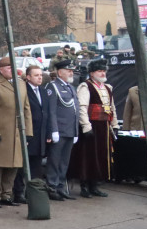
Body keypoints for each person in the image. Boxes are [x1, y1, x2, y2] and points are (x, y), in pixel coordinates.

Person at [0, 57, 33, 208]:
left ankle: (7, 194)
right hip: (1, 131)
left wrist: (28, 131)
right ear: (2, 69)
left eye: (13, 67)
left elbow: (26, 109)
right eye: (9, 68)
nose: (12, 70)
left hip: (17, 132)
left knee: (14, 165)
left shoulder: (21, 83)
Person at [73, 59, 118, 198]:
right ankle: (84, 186)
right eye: (99, 70)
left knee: (100, 156)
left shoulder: (107, 88)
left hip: (103, 127)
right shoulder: (86, 87)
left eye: (104, 70)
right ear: (92, 73)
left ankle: (95, 185)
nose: (103, 73)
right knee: (88, 157)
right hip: (92, 127)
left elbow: (112, 108)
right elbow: (82, 108)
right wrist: (86, 126)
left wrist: (114, 125)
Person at [13, 65, 52, 204]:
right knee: (22, 166)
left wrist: (48, 132)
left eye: (40, 75)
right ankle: (19, 192)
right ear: (28, 77)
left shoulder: (43, 91)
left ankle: (34, 192)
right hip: (29, 133)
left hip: (40, 134)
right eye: (36, 75)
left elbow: (46, 113)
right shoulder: (24, 91)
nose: (40, 77)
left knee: (36, 165)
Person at [45, 59, 80, 200]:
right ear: (60, 72)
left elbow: (75, 110)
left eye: (72, 71)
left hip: (70, 131)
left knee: (64, 161)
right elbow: (51, 111)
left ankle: (60, 186)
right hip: (59, 131)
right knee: (54, 160)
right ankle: (51, 187)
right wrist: (53, 130)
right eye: (68, 70)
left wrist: (76, 131)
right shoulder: (52, 87)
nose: (71, 73)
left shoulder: (71, 88)